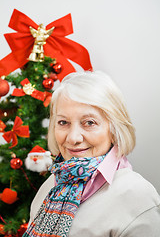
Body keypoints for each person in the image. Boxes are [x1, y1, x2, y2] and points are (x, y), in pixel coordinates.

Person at [23, 71, 160, 237]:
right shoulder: (52, 184)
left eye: (89, 123)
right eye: (63, 122)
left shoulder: (138, 196)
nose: (73, 138)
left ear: (114, 129)